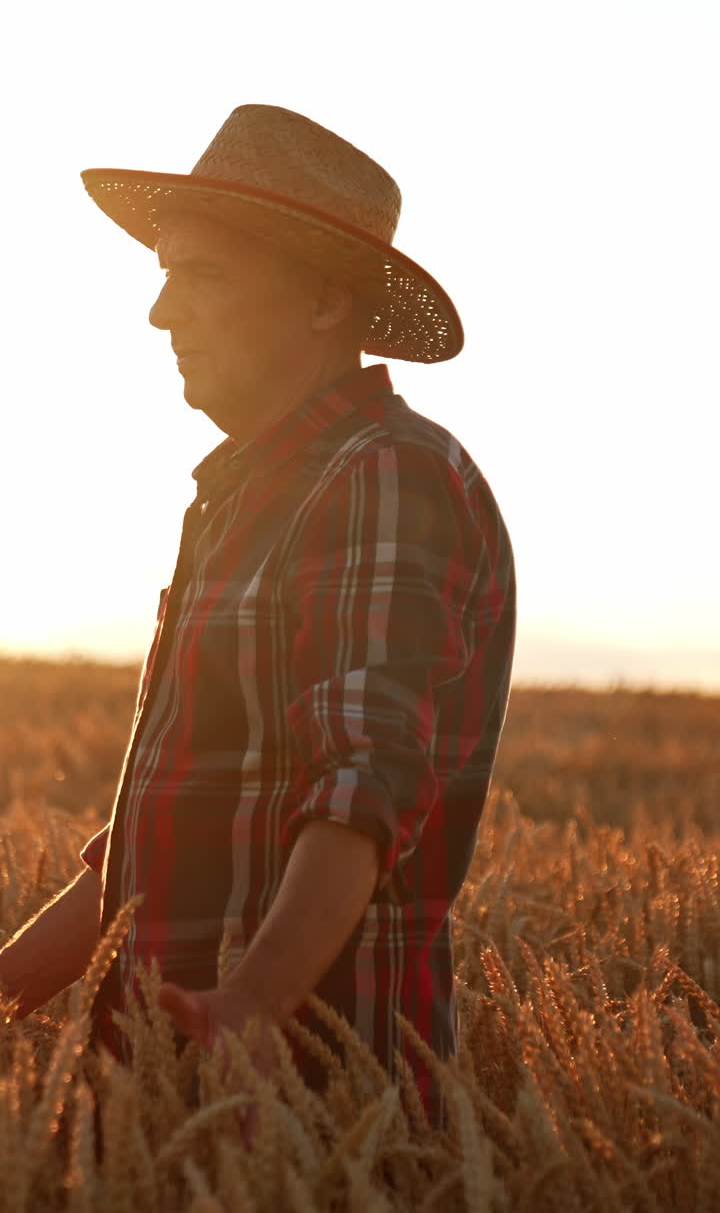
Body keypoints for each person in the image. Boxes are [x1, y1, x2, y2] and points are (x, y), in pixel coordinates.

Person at [0, 105, 516, 1130]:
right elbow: (164, 832)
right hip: (180, 1100)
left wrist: (253, 1001)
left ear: (326, 300)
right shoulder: (250, 492)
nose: (159, 312)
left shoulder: (384, 476)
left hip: (304, 1112)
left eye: (202, 274)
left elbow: (360, 783)